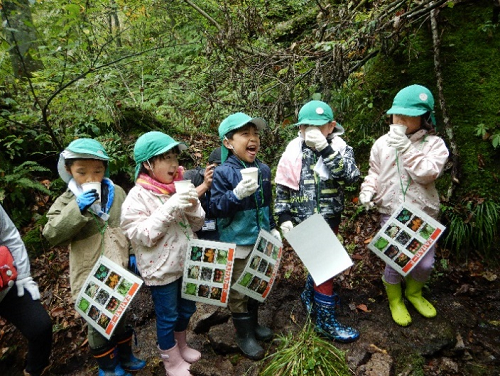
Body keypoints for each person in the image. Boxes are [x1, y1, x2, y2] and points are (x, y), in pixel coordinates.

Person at [42, 138, 146, 376]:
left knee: (121, 311)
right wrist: (76, 209)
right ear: (68, 171)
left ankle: (126, 357)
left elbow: (128, 224)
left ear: (105, 169)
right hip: (90, 270)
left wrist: (131, 254)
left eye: (97, 171)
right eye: (81, 172)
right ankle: (108, 368)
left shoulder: (117, 192)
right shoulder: (66, 200)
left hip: (119, 266)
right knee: (98, 319)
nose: (91, 178)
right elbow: (51, 234)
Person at [358, 84, 449, 327]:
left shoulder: (434, 144)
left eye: (408, 115)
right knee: (395, 259)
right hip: (391, 211)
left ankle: (414, 293)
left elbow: (428, 174)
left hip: (424, 213)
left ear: (424, 117)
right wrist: (367, 191)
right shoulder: (381, 144)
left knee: (426, 262)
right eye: (397, 114)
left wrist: (407, 148)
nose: (400, 120)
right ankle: (395, 299)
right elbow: (374, 173)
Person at [274, 100, 360, 343]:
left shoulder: (341, 148)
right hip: (304, 219)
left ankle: (308, 296)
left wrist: (325, 149)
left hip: (331, 215)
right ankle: (325, 322)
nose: (310, 131)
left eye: (318, 126)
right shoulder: (292, 151)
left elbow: (351, 177)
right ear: (299, 128)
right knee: (326, 267)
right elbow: (282, 186)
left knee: (323, 263)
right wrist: (283, 215)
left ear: (331, 126)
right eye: (306, 126)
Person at [120, 131, 205, 376]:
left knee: (188, 309)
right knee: (168, 315)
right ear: (147, 164)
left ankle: (181, 345)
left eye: (175, 157)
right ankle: (171, 361)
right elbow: (143, 235)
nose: (174, 164)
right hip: (161, 269)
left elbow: (198, 224)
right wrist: (170, 206)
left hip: (187, 262)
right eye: (165, 158)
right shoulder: (137, 197)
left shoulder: (177, 187)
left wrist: (192, 205)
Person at [210, 113, 281, 360]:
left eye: (256, 134)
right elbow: (215, 208)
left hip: (260, 240)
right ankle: (244, 335)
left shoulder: (263, 169)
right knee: (238, 290)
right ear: (228, 143)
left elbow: (266, 204)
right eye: (245, 134)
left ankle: (254, 326)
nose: (253, 139)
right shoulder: (223, 173)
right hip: (237, 241)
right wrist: (236, 195)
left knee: (255, 283)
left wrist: (272, 228)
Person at [0, 204, 52, 376]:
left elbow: (9, 235)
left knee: (40, 327)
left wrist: (23, 277)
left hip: (4, 285)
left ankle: (35, 370)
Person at [183, 147, 221, 240]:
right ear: (208, 166)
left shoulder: (230, 181)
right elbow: (181, 200)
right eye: (219, 167)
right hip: (193, 232)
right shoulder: (192, 176)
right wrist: (205, 185)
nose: (222, 172)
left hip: (219, 234)